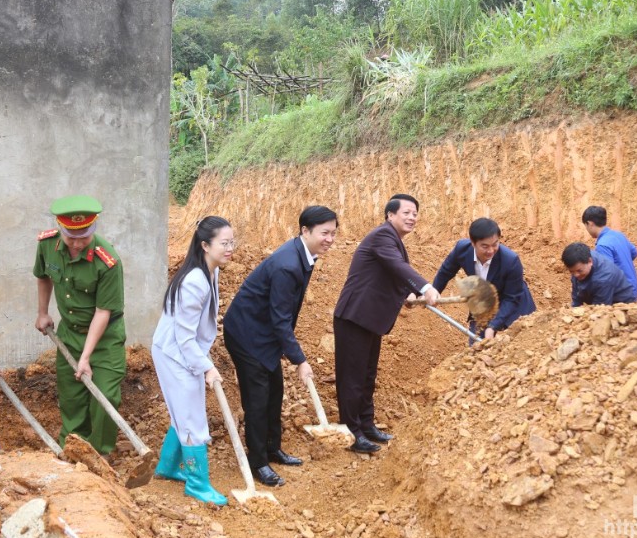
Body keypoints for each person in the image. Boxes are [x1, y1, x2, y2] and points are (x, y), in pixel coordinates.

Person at [222, 206, 338, 487]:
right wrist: (300, 360)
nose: (330, 239)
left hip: (265, 332)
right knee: (258, 399)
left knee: (275, 390)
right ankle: (258, 461)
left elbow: (280, 317)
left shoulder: (303, 254)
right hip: (247, 334)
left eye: (334, 233)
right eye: (325, 233)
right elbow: (281, 319)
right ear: (305, 231)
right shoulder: (287, 264)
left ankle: (272, 449)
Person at [334, 194, 441, 454]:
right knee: (353, 378)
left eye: (415, 213)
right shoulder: (383, 236)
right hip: (354, 317)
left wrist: (407, 293)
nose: (412, 217)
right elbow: (396, 266)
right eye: (406, 212)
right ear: (390, 215)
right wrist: (425, 287)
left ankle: (367, 425)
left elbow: (390, 273)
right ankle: (352, 432)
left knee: (367, 376)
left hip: (369, 319)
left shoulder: (393, 242)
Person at [33, 195, 126, 456]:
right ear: (60, 229)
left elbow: (103, 312)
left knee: (105, 396)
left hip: (105, 338)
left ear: (94, 228)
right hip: (69, 333)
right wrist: (42, 312)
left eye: (83, 237)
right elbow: (43, 277)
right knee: (72, 396)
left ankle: (100, 455)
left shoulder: (107, 261)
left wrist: (85, 357)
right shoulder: (47, 244)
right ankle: (73, 450)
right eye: (70, 236)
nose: (76, 243)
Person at [151, 216, 234, 506]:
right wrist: (207, 368)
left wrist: (203, 362)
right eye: (224, 243)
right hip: (174, 353)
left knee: (185, 410)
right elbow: (184, 338)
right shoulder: (194, 282)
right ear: (204, 245)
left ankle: (168, 466)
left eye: (231, 242)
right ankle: (197, 484)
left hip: (185, 350)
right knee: (192, 418)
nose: (230, 248)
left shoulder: (210, 271)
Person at [432, 217, 536, 343]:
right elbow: (446, 271)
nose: (491, 250)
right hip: (484, 302)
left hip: (513, 307)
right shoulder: (462, 249)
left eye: (495, 244)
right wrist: (434, 291)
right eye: (485, 246)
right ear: (473, 242)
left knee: (516, 350)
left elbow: (511, 298)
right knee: (477, 349)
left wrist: (493, 326)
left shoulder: (511, 260)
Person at [582, 206, 637, 298]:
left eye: (586, 226)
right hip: (633, 288)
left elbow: (606, 275)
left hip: (621, 294)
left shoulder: (602, 245)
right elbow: (634, 252)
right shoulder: (619, 235)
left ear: (590, 224)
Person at [562, 242, 635, 307]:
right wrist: (575, 309)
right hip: (599, 293)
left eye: (579, 271)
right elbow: (577, 293)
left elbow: (599, 310)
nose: (576, 275)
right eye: (571, 271)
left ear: (590, 261)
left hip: (621, 304)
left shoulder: (604, 277)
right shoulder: (581, 259)